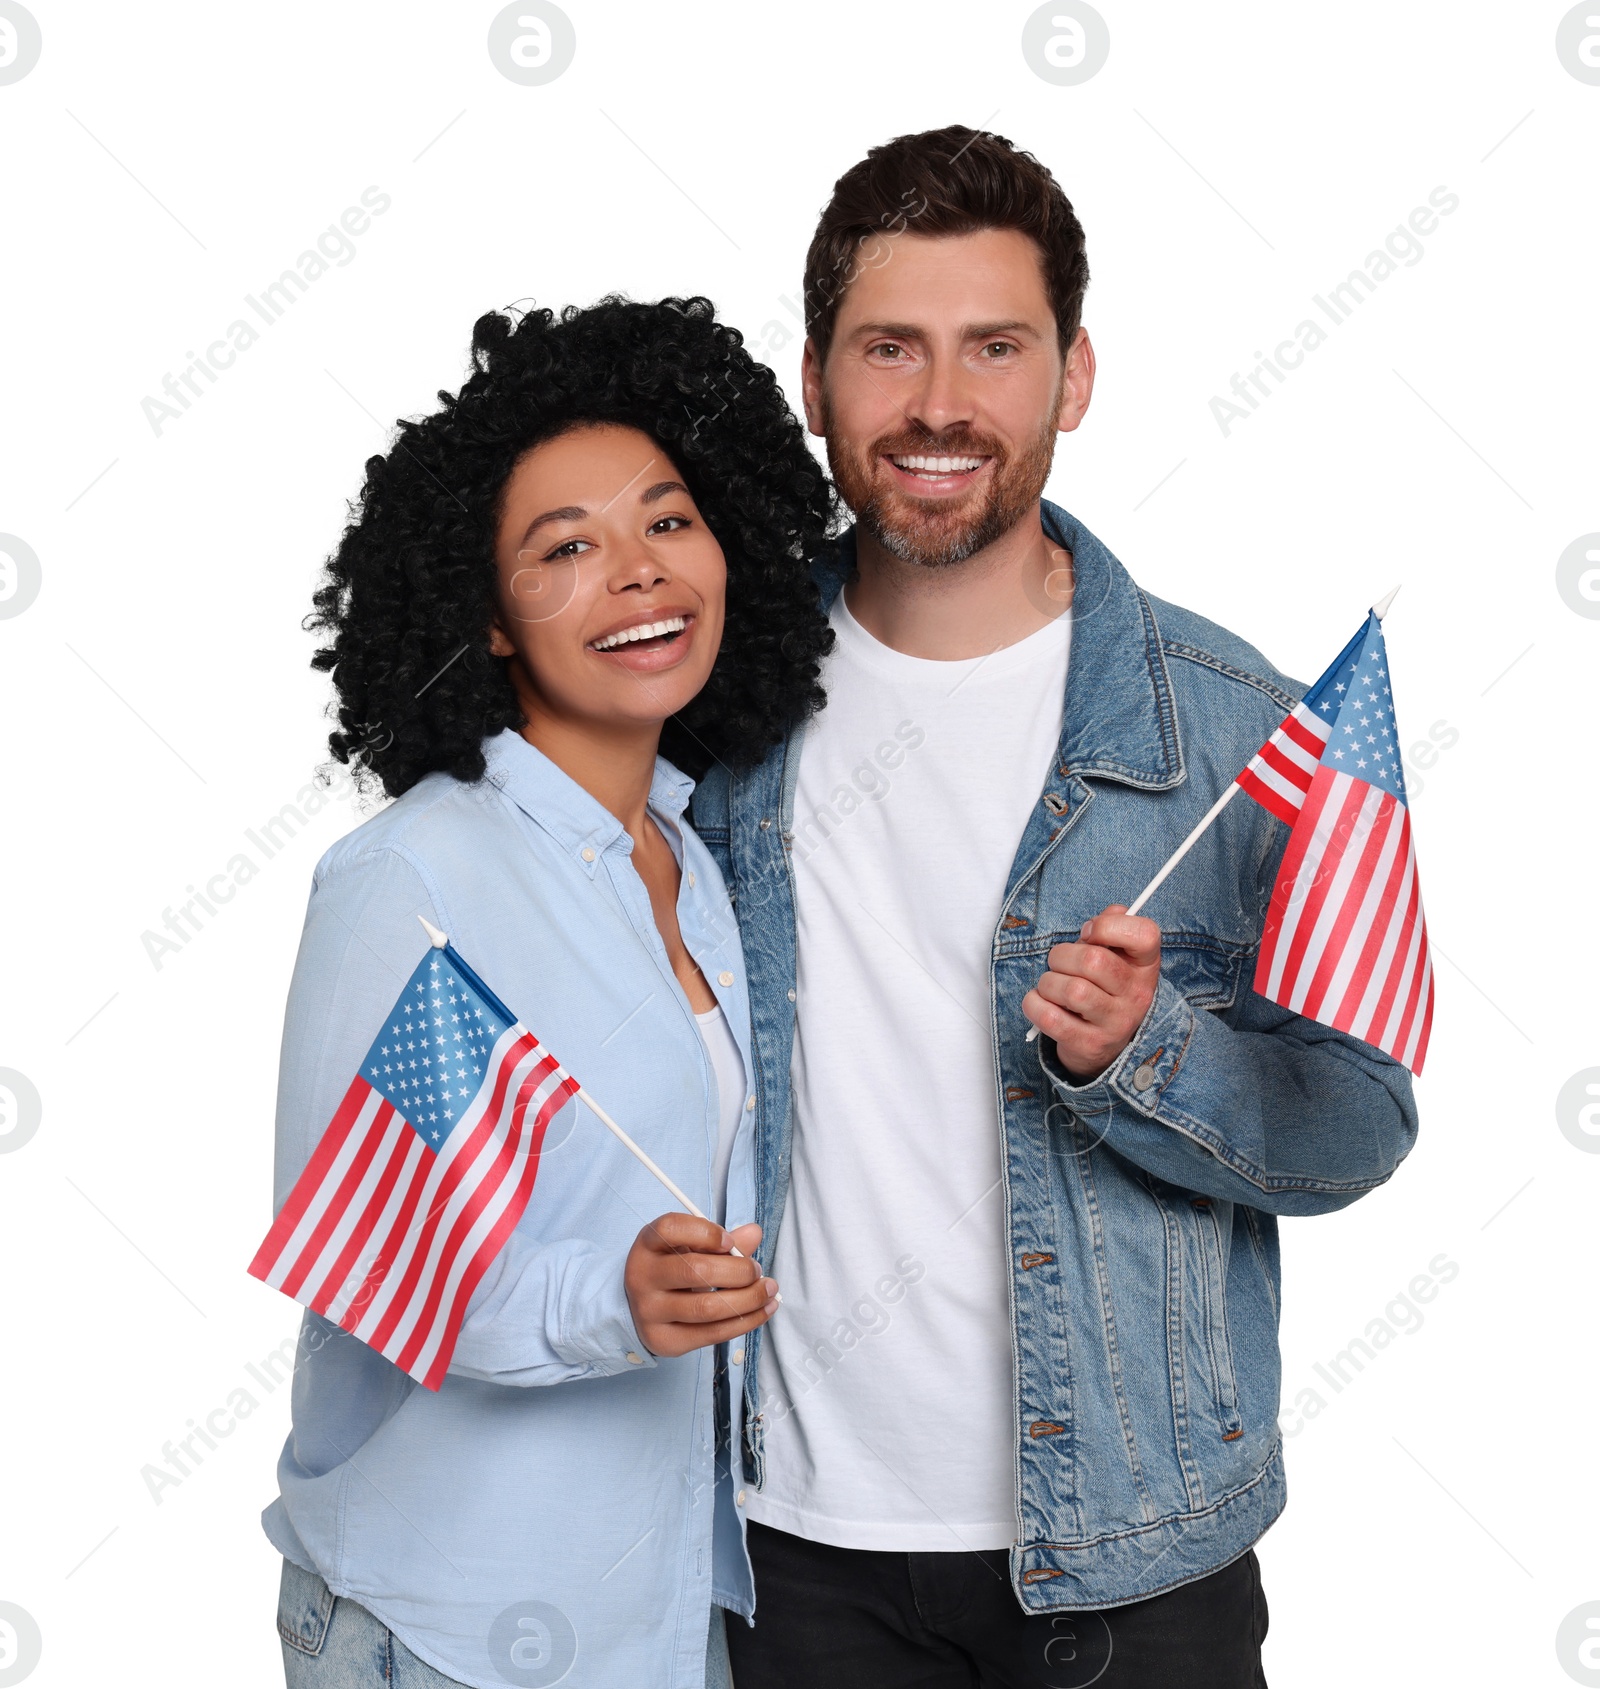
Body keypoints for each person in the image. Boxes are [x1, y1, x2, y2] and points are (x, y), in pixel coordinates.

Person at [692, 127, 1420, 1688]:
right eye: (891, 348)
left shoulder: (1235, 729)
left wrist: (1149, 1058)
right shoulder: (709, 710)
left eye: (994, 349)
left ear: (1072, 376)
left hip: (1137, 1560)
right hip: (784, 1547)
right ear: (815, 377)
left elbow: (1360, 1121)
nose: (941, 404)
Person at [261, 296, 834, 1689]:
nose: (637, 572)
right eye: (565, 548)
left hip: (661, 1618)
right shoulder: (417, 874)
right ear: (493, 620)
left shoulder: (696, 866)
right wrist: (614, 1300)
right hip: (450, 1628)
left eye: (667, 519)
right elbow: (375, 1268)